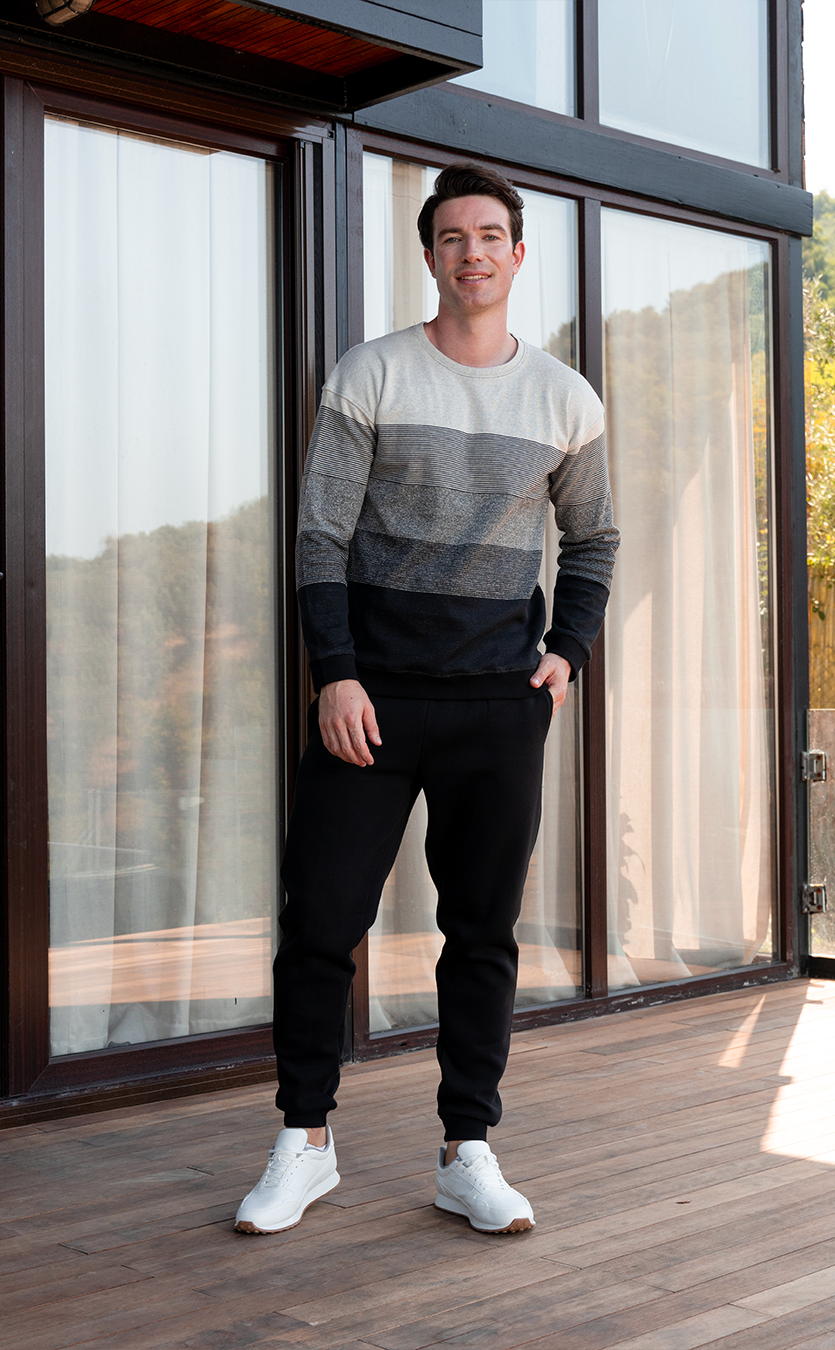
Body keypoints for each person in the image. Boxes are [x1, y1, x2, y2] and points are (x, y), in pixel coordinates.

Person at [235, 162, 618, 1237]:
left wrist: (567, 653)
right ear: (430, 255)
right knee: (321, 921)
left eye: (490, 236)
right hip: (372, 699)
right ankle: (304, 1143)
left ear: (517, 255)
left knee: (482, 932)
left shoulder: (565, 399)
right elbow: (320, 535)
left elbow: (593, 538)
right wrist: (335, 671)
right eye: (454, 237)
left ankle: (467, 1151)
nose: (473, 253)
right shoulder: (372, 374)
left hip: (499, 703)